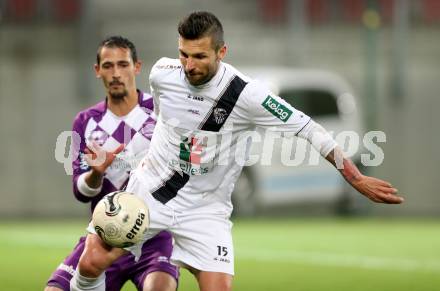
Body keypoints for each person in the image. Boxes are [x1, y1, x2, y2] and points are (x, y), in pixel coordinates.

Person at [71, 12, 404, 291]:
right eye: (184, 54)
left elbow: (308, 128)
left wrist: (355, 177)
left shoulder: (248, 95)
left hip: (206, 208)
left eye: (200, 56)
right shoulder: (162, 73)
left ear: (222, 52)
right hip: (151, 191)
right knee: (90, 261)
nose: (189, 65)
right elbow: (164, 116)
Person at [46, 36, 178, 291]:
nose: (116, 73)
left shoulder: (161, 111)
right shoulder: (85, 122)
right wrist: (97, 173)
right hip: (104, 234)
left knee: (160, 288)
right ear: (97, 71)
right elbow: (80, 191)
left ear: (136, 67)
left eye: (122, 64)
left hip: (153, 235)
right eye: (108, 66)